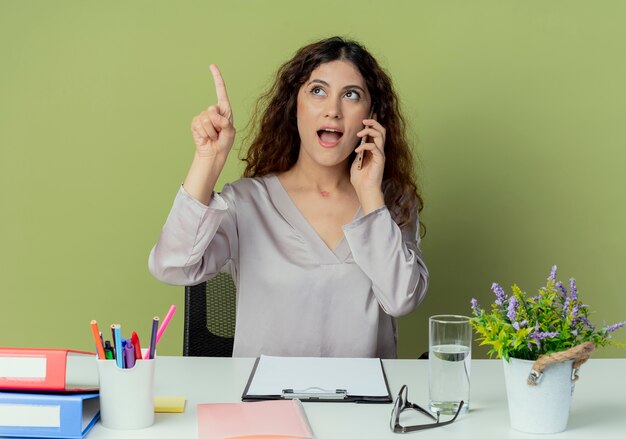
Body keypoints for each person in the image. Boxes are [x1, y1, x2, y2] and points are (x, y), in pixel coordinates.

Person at [149, 36, 429, 358]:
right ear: (294, 104)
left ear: (372, 115)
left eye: (351, 95)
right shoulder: (247, 202)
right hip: (266, 405)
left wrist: (369, 195)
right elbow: (170, 266)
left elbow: (401, 299)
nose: (333, 111)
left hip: (364, 405)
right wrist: (207, 161)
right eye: (317, 91)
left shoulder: (392, 203)